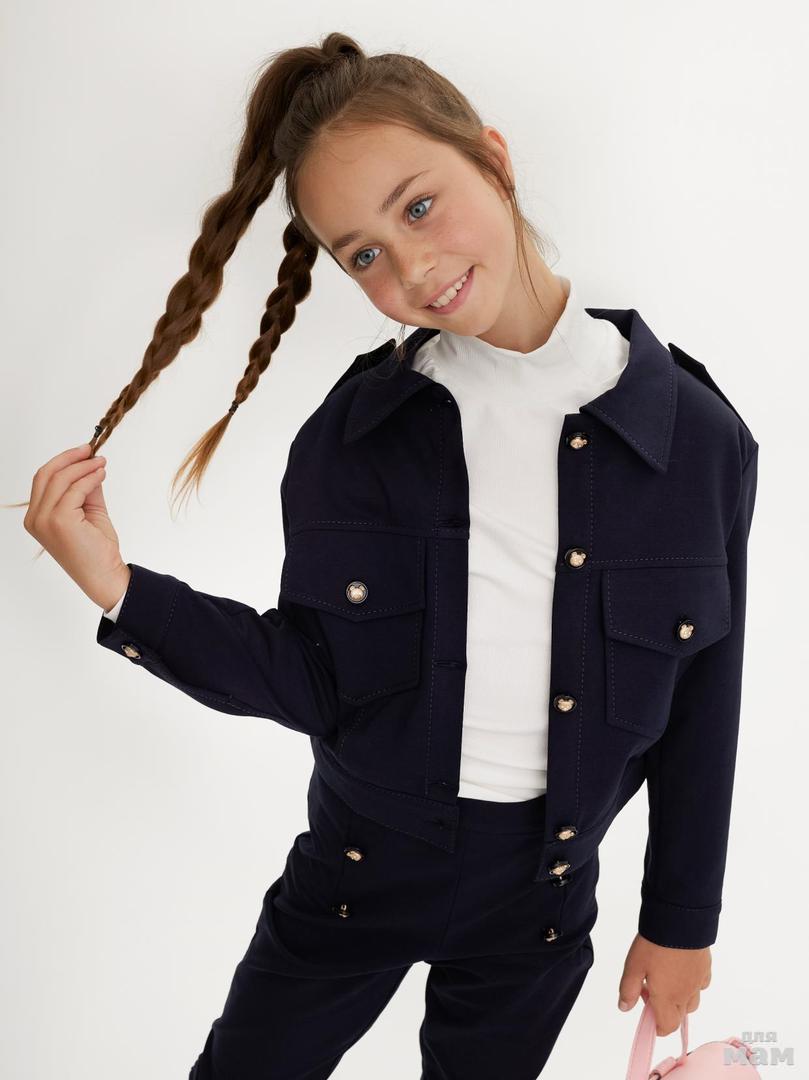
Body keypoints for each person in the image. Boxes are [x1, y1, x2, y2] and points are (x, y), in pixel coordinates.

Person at [19, 30, 759, 1079]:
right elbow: (309, 675)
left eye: (417, 207)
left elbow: (705, 698)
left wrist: (681, 920)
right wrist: (117, 589)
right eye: (362, 254)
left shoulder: (696, 440)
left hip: (536, 914)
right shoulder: (353, 435)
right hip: (351, 880)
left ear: (492, 160)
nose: (410, 267)